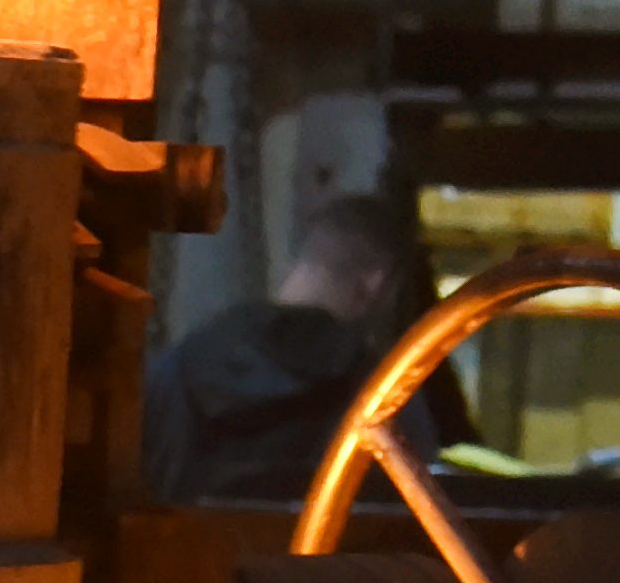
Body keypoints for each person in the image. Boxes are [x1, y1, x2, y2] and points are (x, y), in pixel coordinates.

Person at [141, 190, 469, 505]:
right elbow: (412, 515)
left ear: (300, 262)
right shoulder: (386, 397)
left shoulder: (180, 365)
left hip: (183, 559)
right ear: (376, 282)